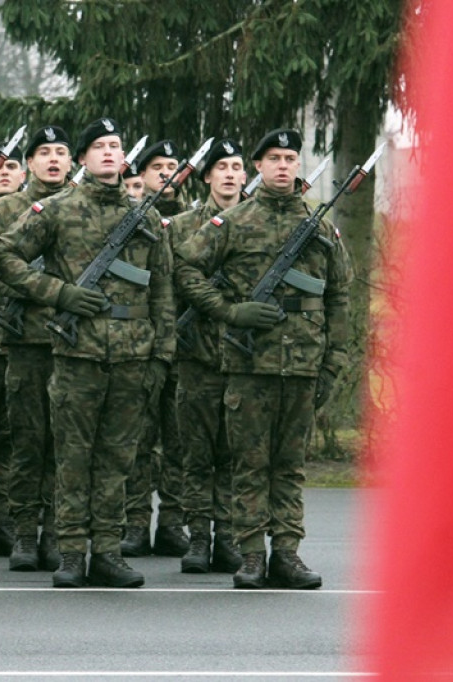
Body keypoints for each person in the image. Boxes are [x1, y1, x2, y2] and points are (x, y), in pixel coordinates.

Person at [0, 117, 176, 588]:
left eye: (115, 145)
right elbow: (5, 256)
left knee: (118, 460)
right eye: (98, 146)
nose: (109, 152)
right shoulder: (57, 209)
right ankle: (73, 552)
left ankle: (108, 552)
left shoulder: (146, 216)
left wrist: (162, 354)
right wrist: (58, 293)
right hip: (77, 354)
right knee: (73, 458)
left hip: (133, 356)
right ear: (82, 158)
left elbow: (162, 289)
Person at [174, 128, 352, 589]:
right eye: (273, 158)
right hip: (249, 363)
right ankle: (252, 553)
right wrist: (227, 311)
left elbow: (339, 296)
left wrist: (332, 363)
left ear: (298, 165)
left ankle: (287, 553)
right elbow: (185, 267)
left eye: (290, 158)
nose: (282, 166)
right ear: (258, 166)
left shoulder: (319, 225)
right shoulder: (235, 221)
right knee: (249, 464)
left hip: (304, 365)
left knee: (290, 466)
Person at [0, 125, 72, 572]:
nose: (53, 159)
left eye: (61, 152)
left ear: (71, 161)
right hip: (23, 343)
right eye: (44, 153)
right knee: (25, 443)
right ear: (29, 163)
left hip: (73, 344)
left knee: (65, 445)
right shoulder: (4, 210)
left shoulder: (82, 207)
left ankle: (56, 533)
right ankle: (22, 532)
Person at [169, 137, 247, 574]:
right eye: (222, 168)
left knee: (235, 453)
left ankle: (229, 536)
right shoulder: (182, 227)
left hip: (245, 357)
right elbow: (168, 286)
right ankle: (198, 537)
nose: (230, 175)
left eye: (236, 167)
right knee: (196, 454)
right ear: (207, 177)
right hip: (196, 355)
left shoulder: (258, 223)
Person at [121, 139, 189, 558]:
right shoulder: (130, 220)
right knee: (138, 439)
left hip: (186, 346)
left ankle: (173, 522)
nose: (166, 173)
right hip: (141, 344)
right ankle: (134, 523)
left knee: (179, 441)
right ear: (142, 176)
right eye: (157, 167)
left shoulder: (197, 220)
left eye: (172, 166)